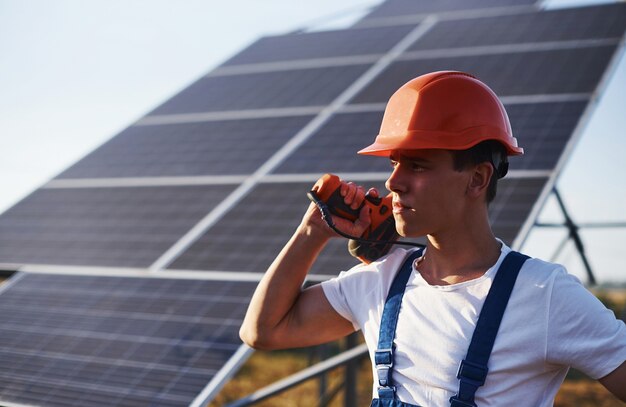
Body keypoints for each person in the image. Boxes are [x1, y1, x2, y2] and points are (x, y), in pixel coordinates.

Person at [239, 71, 626, 406]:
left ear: (477, 179)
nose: (393, 182)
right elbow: (263, 331)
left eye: (417, 165)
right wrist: (313, 230)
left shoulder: (544, 294)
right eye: (394, 164)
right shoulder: (382, 280)